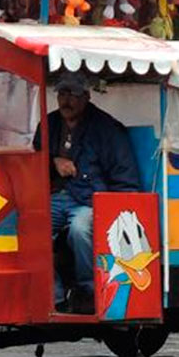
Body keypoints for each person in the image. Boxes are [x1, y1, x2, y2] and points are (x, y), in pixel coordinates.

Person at [33, 71, 141, 312]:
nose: (66, 100)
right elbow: (34, 160)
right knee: (31, 228)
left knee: (80, 229)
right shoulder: (48, 125)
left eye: (72, 94)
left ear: (86, 96)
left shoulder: (107, 129)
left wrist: (118, 209)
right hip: (55, 197)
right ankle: (56, 295)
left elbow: (125, 178)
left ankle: (88, 289)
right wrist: (54, 162)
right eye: (62, 93)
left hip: (90, 201)